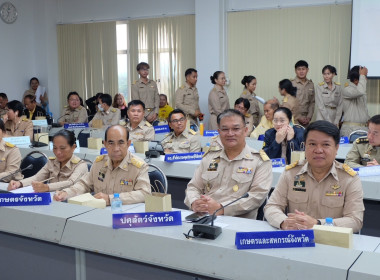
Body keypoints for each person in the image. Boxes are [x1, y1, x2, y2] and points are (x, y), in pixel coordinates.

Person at [264, 120, 364, 233]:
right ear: (305, 146)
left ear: (336, 148)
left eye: (326, 144)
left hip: (333, 242)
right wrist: (284, 222)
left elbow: (355, 220)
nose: (318, 150)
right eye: (312, 144)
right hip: (296, 239)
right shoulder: (291, 173)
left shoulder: (349, 178)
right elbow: (271, 206)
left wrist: (318, 224)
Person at [184, 109, 272, 219]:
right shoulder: (210, 157)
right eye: (225, 129)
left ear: (245, 130)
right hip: (203, 217)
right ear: (219, 132)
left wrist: (221, 208)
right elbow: (193, 187)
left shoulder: (259, 161)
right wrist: (194, 202)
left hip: (238, 221)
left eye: (236, 129)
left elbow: (256, 197)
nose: (230, 134)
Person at [53, 125, 151, 205]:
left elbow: (145, 194)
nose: (116, 148)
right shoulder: (99, 163)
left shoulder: (139, 166)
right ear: (104, 144)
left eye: (121, 143)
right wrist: (67, 193)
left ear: (128, 144)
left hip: (124, 217)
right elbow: (84, 184)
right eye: (111, 143)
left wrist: (110, 199)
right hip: (99, 213)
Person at [8, 130, 88, 192]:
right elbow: (37, 178)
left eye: (62, 148)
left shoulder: (81, 165)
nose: (58, 152)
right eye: (55, 148)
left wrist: (47, 187)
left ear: (73, 147)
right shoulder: (52, 162)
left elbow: (71, 183)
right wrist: (19, 183)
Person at [341, 66, 369, 137]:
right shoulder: (347, 90)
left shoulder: (361, 91)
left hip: (364, 129)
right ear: (356, 80)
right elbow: (359, 91)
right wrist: (362, 75)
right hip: (351, 130)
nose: (366, 79)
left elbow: (363, 110)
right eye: (365, 76)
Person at [291, 60, 315, 127]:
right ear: (295, 71)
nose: (301, 71)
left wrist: (309, 117)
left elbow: (312, 102)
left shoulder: (311, 84)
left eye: (303, 69)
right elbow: (289, 103)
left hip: (306, 119)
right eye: (299, 69)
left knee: (306, 136)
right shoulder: (291, 84)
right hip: (294, 118)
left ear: (307, 70)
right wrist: (298, 117)